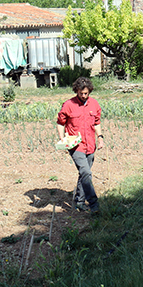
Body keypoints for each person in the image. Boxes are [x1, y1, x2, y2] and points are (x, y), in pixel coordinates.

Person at [57, 76, 104, 214]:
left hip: (90, 145)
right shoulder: (68, 105)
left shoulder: (94, 104)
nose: (83, 96)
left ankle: (79, 202)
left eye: (86, 93)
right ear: (76, 91)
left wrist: (100, 138)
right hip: (75, 145)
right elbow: (60, 123)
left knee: (84, 174)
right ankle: (94, 204)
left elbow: (96, 123)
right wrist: (63, 140)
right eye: (80, 93)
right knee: (86, 172)